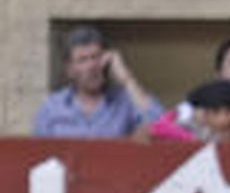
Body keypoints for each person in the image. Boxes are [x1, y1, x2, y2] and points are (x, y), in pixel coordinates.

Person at [33, 25, 162, 138]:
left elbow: (160, 125)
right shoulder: (51, 108)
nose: (92, 66)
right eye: (83, 60)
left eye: (96, 57)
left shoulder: (125, 101)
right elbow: (40, 156)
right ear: (70, 70)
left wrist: (126, 78)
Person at [149, 79, 230, 143]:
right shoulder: (193, 133)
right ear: (205, 116)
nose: (223, 119)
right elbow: (150, 131)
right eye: (215, 111)